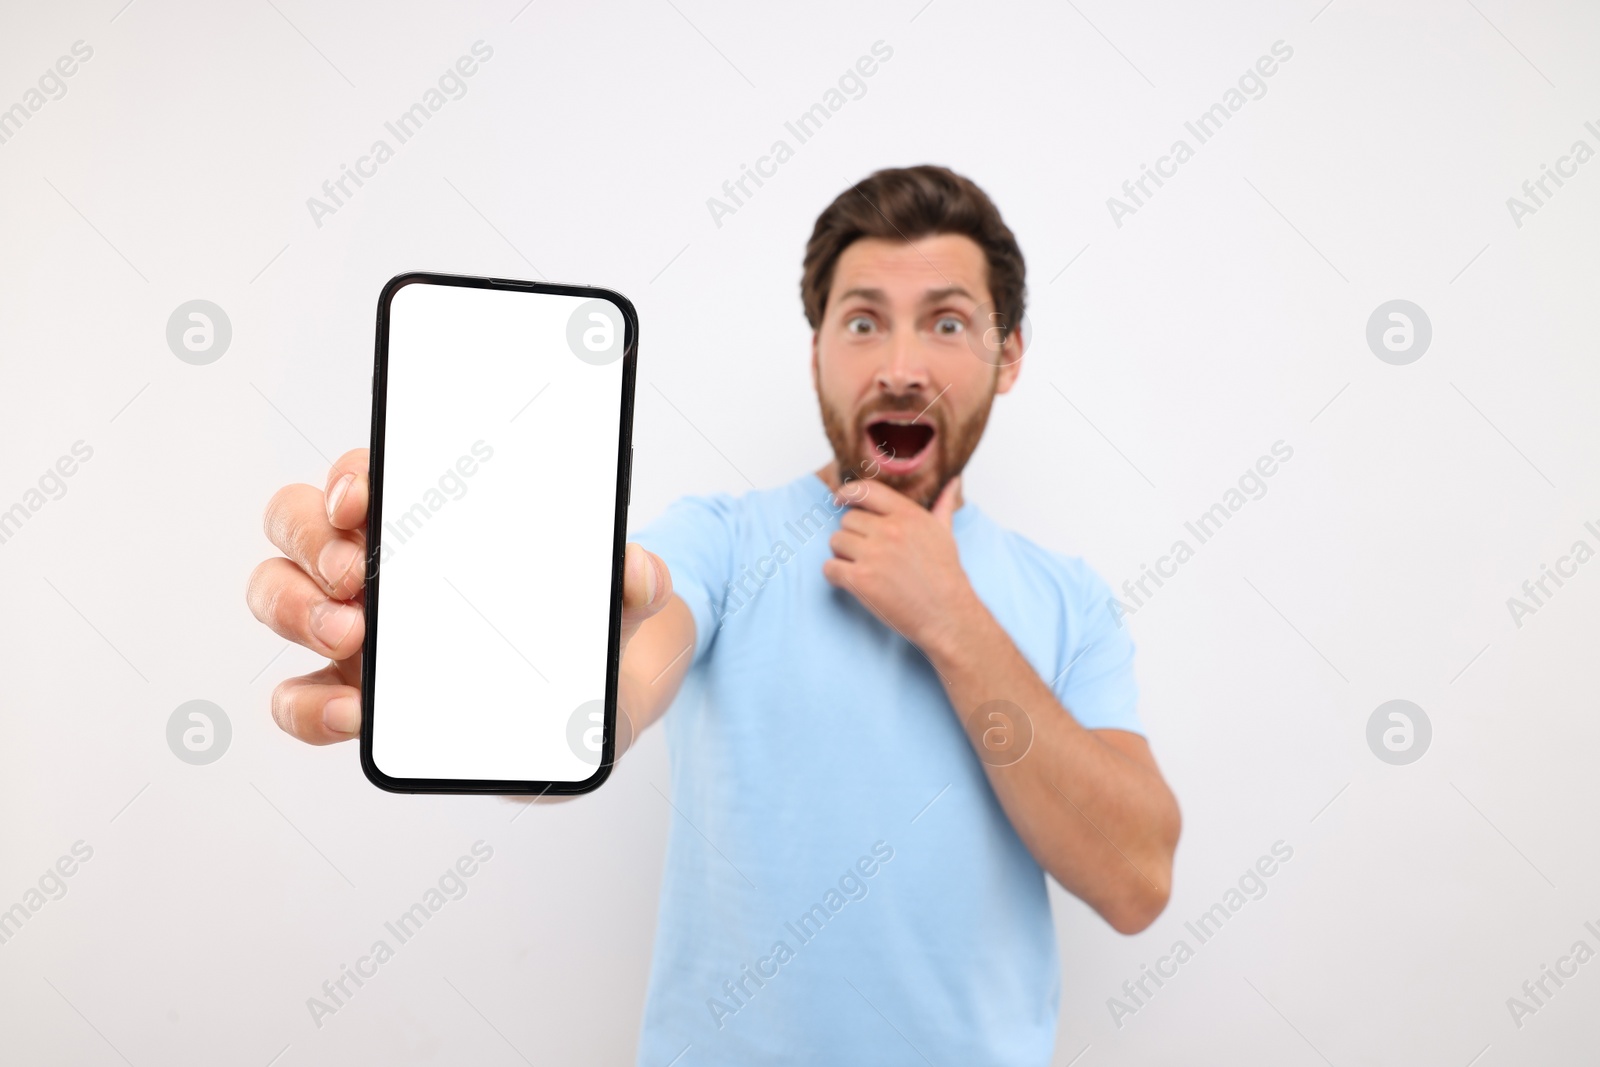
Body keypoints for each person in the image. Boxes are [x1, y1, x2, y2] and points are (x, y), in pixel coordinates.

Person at [247, 165, 1181, 1066]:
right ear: (817, 348)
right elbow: (605, 697)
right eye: (862, 321)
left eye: (946, 321)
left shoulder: (1070, 601)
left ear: (1007, 353)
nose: (900, 366)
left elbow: (1136, 880)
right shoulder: (723, 546)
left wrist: (951, 619)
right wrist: (476, 662)